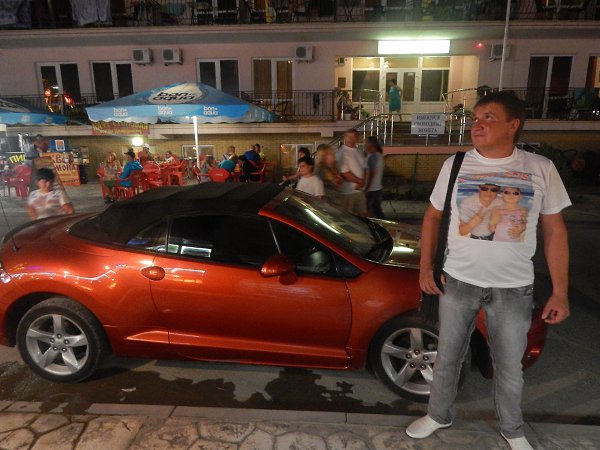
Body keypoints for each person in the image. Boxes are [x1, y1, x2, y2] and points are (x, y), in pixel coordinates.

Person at [407, 91, 571, 450]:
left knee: (509, 367)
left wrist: (560, 292)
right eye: (475, 118)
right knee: (447, 357)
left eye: (488, 118)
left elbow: (555, 231)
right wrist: (425, 267)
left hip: (513, 289)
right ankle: (438, 414)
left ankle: (512, 429)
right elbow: (433, 217)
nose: (477, 125)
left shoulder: (540, 168)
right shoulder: (455, 165)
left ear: (513, 125)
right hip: (458, 282)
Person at [338, 129, 366, 216]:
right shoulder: (342, 153)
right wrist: (361, 182)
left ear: (357, 138)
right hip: (348, 192)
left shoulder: (358, 151)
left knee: (362, 216)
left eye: (353, 137)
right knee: (348, 217)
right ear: (344, 138)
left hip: (359, 191)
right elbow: (344, 173)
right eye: (348, 137)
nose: (350, 139)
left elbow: (364, 167)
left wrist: (363, 181)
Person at [363, 136, 385, 219]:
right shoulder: (377, 155)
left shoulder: (373, 157)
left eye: (366, 143)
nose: (365, 145)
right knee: (376, 210)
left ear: (371, 144)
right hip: (377, 188)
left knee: (367, 209)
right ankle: (382, 223)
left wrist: (367, 189)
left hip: (372, 190)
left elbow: (372, 174)